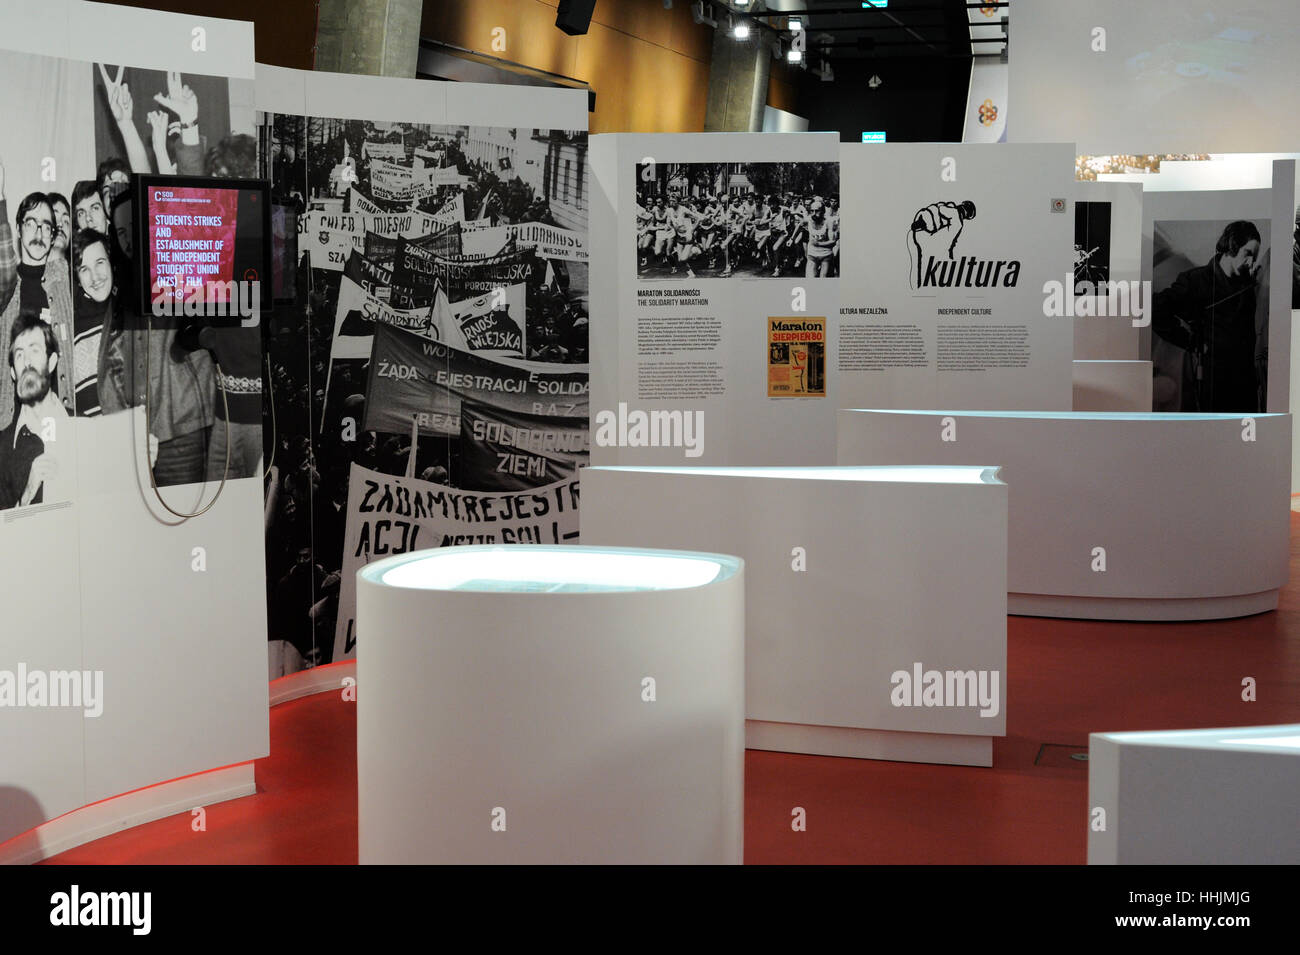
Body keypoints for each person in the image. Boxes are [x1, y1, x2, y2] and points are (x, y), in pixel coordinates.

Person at [1151, 220, 1263, 412]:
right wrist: (1189, 341)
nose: (1251, 262)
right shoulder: (1196, 281)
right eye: (1248, 254)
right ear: (1232, 246)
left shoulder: (1250, 286)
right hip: (1212, 386)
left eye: (1255, 256)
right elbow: (1156, 309)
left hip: (1245, 388)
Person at [0, 192, 75, 426]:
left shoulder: (65, 279)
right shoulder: (7, 286)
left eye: (46, 226)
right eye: (31, 223)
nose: (39, 233)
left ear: (53, 236)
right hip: (11, 422)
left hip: (62, 419)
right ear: (19, 229)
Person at [0, 312, 71, 508]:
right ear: (13, 373)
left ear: (52, 362)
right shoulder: (3, 450)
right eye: (20, 354)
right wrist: (27, 495)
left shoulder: (83, 426)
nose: (27, 362)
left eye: (35, 350)